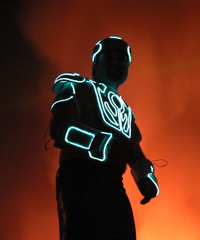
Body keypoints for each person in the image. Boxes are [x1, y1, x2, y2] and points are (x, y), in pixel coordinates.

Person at [49, 36, 159, 240]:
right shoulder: (77, 89)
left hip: (113, 183)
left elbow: (134, 152)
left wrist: (145, 177)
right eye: (109, 57)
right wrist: (103, 145)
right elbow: (61, 128)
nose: (117, 63)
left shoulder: (125, 112)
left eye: (122, 59)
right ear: (96, 63)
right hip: (79, 179)